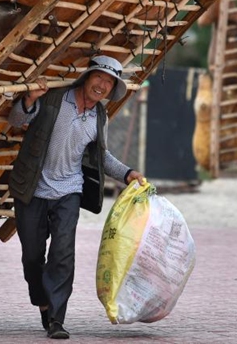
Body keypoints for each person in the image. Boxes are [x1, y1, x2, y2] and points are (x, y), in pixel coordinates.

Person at [8, 55, 144, 339]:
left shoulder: (99, 116)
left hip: (69, 190)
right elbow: (18, 120)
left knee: (63, 255)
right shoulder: (55, 99)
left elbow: (100, 156)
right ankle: (43, 302)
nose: (102, 86)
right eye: (99, 78)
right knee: (32, 257)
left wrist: (128, 172)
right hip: (32, 187)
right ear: (87, 77)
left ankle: (57, 319)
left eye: (109, 83)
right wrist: (30, 99)